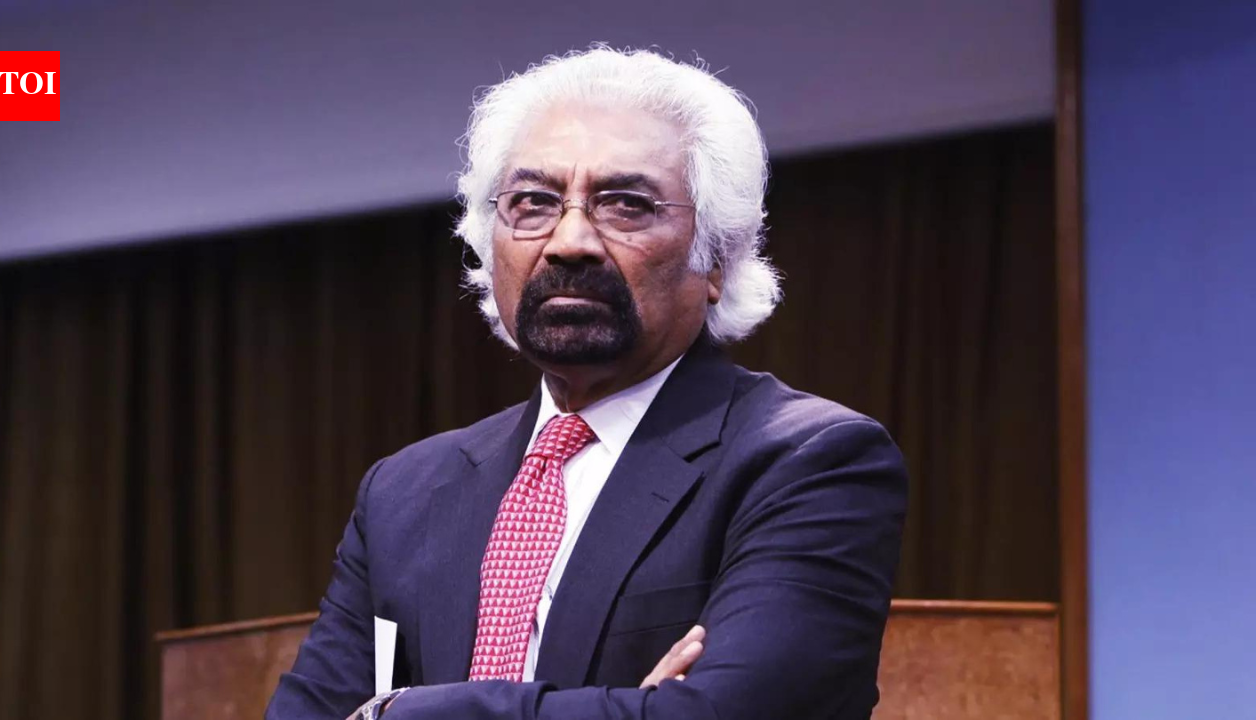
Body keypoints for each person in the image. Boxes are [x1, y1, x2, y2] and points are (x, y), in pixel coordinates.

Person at [267, 45, 907, 720]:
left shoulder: (807, 461)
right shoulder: (404, 491)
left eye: (625, 204)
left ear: (717, 258)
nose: (569, 241)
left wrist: (398, 713)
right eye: (533, 203)